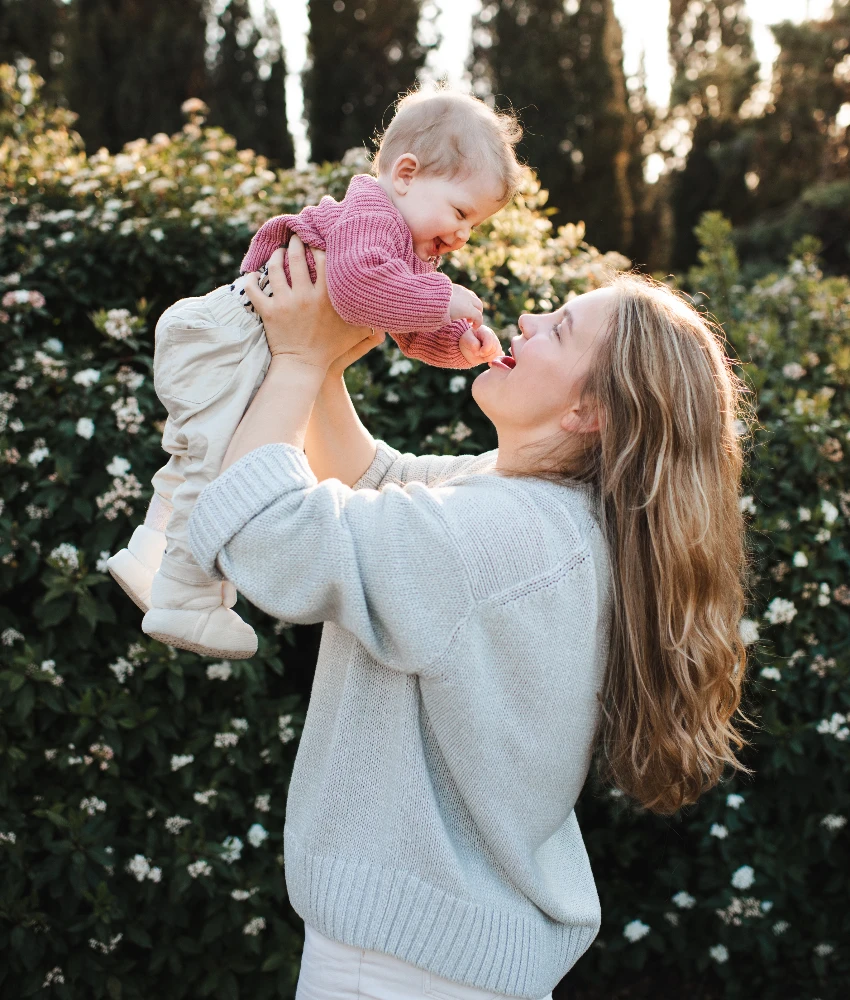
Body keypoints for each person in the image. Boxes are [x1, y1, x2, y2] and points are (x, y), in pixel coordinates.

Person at [183, 237, 750, 999]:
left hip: (397, 971)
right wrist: (325, 358)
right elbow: (374, 482)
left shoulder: (507, 534)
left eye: (559, 328)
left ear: (588, 411)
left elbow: (265, 532)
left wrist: (294, 361)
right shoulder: (548, 512)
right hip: (445, 957)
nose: (529, 321)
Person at [105, 89, 520, 659]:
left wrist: (459, 345)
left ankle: (149, 554)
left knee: (198, 455)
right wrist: (443, 298)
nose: (462, 235)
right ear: (405, 175)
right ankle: (187, 599)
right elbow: (357, 290)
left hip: (241, 336)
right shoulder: (373, 216)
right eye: (460, 212)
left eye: (474, 225)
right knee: (218, 465)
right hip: (233, 336)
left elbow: (404, 325)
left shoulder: (400, 246)